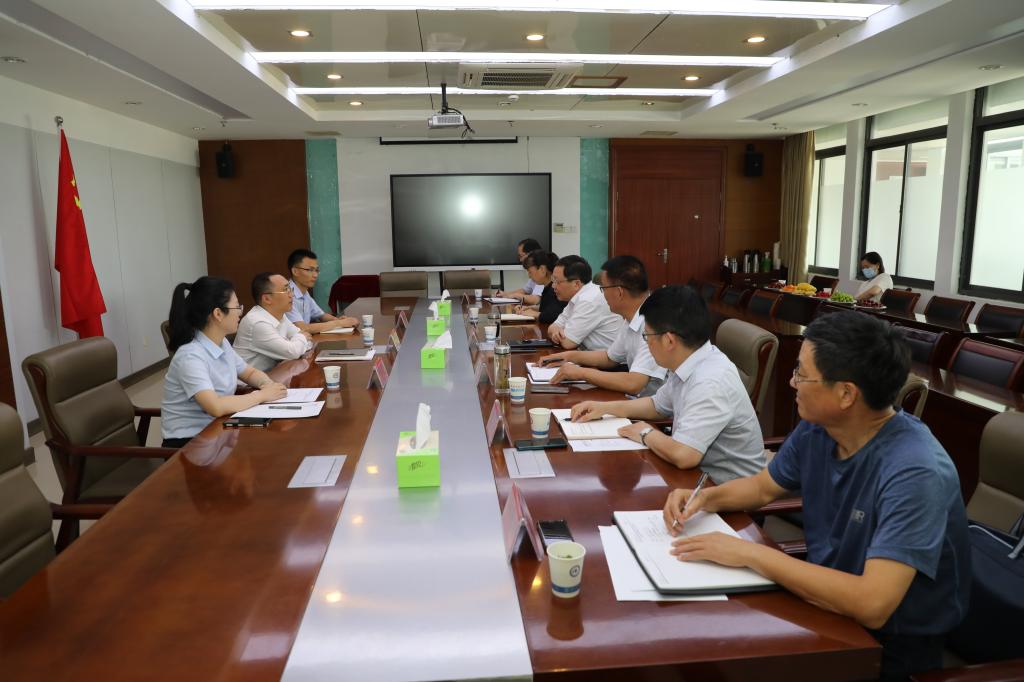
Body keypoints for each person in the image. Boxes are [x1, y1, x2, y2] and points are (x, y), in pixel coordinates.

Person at [662, 311, 969, 680]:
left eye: (802, 374)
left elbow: (873, 604)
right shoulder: (820, 429)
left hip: (889, 645)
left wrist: (749, 553)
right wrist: (704, 498)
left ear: (846, 394)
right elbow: (761, 487)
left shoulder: (915, 471)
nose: (792, 382)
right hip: (823, 602)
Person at [570, 285, 764, 481]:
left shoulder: (710, 381)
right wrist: (605, 408)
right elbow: (656, 405)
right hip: (697, 478)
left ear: (669, 341)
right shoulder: (691, 359)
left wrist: (645, 433)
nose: (646, 343)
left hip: (728, 488)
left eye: (647, 336)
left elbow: (684, 455)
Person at [161, 276, 288, 448]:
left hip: (218, 430)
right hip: (189, 444)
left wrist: (267, 384)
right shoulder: (190, 356)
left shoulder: (221, 343)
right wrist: (262, 395)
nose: (240, 312)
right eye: (237, 307)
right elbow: (215, 406)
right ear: (218, 314)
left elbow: (249, 372)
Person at [541, 255, 666, 397]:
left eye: (603, 288)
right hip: (636, 399)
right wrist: (568, 356)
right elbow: (609, 358)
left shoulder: (654, 323)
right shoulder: (631, 318)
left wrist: (581, 372)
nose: (602, 294)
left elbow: (633, 384)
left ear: (619, 292)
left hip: (653, 406)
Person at [233, 272, 313, 371]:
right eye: (286, 290)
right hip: (251, 380)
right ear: (267, 299)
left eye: (290, 289)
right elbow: (293, 351)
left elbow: (307, 342)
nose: (292, 295)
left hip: (273, 374)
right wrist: (300, 339)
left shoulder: (280, 315)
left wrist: (298, 341)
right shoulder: (257, 322)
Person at [547, 255, 623, 351]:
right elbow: (553, 327)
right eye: (553, 281)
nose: (553, 286)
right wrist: (556, 331)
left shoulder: (589, 300)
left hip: (606, 358)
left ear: (576, 284)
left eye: (557, 281)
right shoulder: (578, 297)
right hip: (589, 354)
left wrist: (557, 332)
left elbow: (568, 343)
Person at [286, 248, 359, 333]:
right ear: (295, 271)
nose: (315, 275)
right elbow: (302, 328)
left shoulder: (304, 293)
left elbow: (321, 315)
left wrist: (339, 320)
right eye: (310, 270)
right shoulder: (286, 295)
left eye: (316, 270)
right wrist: (339, 323)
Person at [511, 250, 567, 324]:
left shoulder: (557, 289)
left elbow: (554, 315)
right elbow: (548, 308)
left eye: (530, 272)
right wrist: (530, 308)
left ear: (542, 270)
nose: (529, 276)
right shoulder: (547, 288)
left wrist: (534, 313)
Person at [495, 238, 544, 304]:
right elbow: (525, 290)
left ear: (531, 254)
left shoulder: (541, 270)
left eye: (521, 256)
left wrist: (515, 295)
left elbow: (536, 299)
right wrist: (505, 294)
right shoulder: (535, 269)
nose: (520, 260)